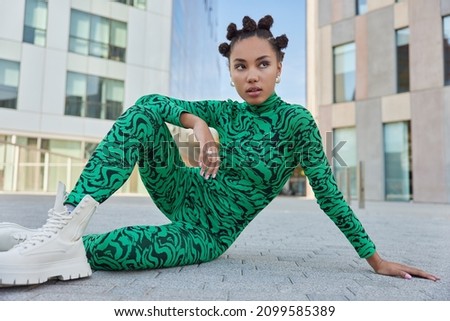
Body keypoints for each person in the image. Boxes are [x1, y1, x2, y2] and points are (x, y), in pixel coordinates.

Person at [0, 15, 439, 286]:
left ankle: (50, 244)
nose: (252, 75)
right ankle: (61, 227)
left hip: (206, 235)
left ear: (279, 69)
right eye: (240, 66)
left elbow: (328, 196)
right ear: (230, 72)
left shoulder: (297, 124)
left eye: (262, 64)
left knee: (110, 252)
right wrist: (202, 128)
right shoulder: (226, 110)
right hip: (183, 190)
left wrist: (376, 260)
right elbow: (157, 105)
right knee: (145, 112)